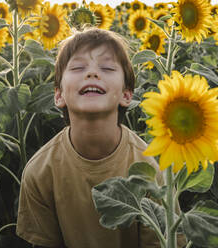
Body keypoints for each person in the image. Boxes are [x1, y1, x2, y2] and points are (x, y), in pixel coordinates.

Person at [16, 27, 164, 248]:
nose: (92, 73)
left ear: (126, 95)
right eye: (77, 67)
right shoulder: (40, 172)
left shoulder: (147, 168)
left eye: (106, 67)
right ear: (58, 95)